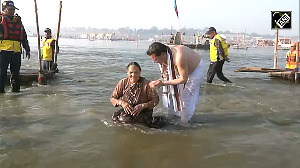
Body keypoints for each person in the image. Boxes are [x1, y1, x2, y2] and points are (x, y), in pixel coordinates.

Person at [146, 42, 204, 123]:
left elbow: (183, 79)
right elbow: (164, 74)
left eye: (155, 59)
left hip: (195, 69)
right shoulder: (166, 52)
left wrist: (163, 83)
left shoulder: (179, 58)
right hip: (181, 68)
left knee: (186, 97)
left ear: (163, 55)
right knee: (174, 93)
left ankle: (185, 121)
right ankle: (175, 115)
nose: (155, 62)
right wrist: (159, 81)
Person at [110, 62, 162, 128]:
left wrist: (143, 105)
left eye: (136, 72)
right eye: (131, 72)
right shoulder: (123, 83)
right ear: (127, 72)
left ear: (140, 72)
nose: (133, 75)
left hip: (144, 111)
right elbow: (113, 98)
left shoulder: (147, 84)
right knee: (118, 119)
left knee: (133, 121)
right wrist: (122, 103)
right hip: (128, 110)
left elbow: (155, 100)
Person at [0, 1, 30, 93]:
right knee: (1, 73)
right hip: (3, 51)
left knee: (16, 73)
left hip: (16, 51)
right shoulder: (1, 20)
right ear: (4, 9)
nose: (13, 11)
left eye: (13, 9)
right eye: (10, 9)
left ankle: (16, 92)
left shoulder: (18, 21)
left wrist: (27, 49)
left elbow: (23, 36)